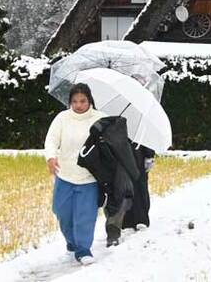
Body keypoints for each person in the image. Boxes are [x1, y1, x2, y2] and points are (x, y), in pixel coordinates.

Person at [44, 83, 106, 265]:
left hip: (89, 178)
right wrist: (51, 157)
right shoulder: (62, 118)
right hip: (65, 174)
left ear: (90, 101)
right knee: (61, 211)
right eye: (75, 101)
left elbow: (111, 143)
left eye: (83, 101)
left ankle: (83, 249)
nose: (79, 105)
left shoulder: (100, 119)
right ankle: (72, 242)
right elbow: (51, 140)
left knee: (85, 216)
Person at [78, 115, 140, 247]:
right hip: (117, 172)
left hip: (105, 172)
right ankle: (113, 231)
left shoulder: (100, 129)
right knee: (122, 196)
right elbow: (129, 163)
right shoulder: (118, 131)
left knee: (114, 197)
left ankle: (113, 230)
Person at [122, 144, 155, 231]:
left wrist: (149, 155)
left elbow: (147, 138)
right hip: (125, 151)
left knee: (140, 186)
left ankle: (141, 219)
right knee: (126, 186)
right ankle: (128, 219)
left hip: (139, 154)